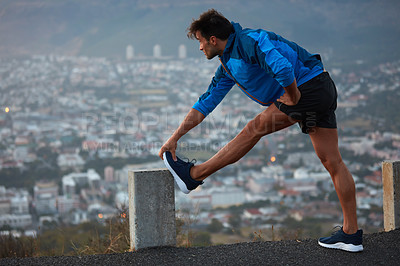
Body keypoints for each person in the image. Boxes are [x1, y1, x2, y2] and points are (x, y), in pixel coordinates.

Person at [159, 9, 363, 252]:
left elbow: (283, 68)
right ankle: (351, 234)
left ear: (213, 39)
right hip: (321, 87)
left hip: (309, 87)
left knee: (253, 129)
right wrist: (175, 137)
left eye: (201, 41)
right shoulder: (227, 66)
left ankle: (193, 175)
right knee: (332, 161)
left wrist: (292, 94)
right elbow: (205, 104)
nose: (200, 48)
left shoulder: (248, 41)